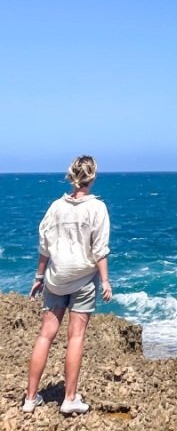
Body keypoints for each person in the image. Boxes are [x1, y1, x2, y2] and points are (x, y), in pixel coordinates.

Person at [22, 155, 112, 415]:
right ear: (92, 176)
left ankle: (30, 399)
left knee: (45, 336)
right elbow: (100, 251)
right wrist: (105, 281)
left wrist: (39, 278)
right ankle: (69, 398)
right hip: (83, 280)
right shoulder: (97, 208)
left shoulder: (55, 208)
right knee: (76, 337)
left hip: (55, 279)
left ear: (71, 175)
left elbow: (44, 248)